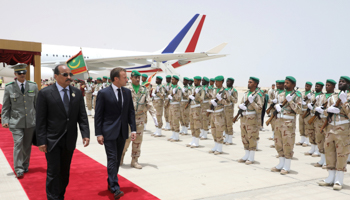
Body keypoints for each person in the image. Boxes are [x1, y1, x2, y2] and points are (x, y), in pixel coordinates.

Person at [36, 64, 90, 199]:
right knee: (53, 172)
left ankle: (60, 195)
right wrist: (41, 141)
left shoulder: (76, 93)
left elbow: (82, 116)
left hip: (69, 140)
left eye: (70, 74)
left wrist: (85, 134)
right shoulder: (45, 93)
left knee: (65, 172)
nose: (69, 77)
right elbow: (40, 120)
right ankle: (53, 197)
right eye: (65, 75)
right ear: (56, 76)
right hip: (52, 140)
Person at [94, 67, 136, 199]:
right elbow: (98, 115)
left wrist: (133, 129)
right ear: (116, 78)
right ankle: (115, 187)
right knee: (112, 159)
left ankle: (110, 182)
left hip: (122, 131)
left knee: (117, 159)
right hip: (109, 132)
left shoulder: (127, 92)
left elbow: (130, 112)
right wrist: (99, 133)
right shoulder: (104, 93)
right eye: (124, 77)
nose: (127, 79)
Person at [1, 63, 38, 178]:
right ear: (15, 74)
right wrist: (5, 120)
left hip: (30, 121)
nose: (22, 75)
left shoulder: (33, 86)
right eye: (20, 73)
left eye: (24, 73)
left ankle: (25, 164)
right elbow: (6, 107)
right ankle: (18, 168)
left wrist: (40, 120)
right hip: (16, 122)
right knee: (18, 144)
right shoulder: (9, 87)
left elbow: (37, 105)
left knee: (27, 145)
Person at [317, 76, 350, 190]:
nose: (341, 83)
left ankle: (338, 180)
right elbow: (326, 112)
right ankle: (330, 177)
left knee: (341, 155)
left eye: (343, 81)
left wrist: (345, 102)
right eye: (340, 81)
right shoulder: (333, 97)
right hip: (330, 129)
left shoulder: (348, 97)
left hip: (343, 130)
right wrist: (328, 111)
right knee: (329, 153)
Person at [121, 70, 157, 169]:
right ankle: (121, 156)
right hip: (128, 119)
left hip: (140, 119)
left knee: (138, 141)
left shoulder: (144, 89)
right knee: (126, 140)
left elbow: (149, 103)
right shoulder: (125, 88)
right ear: (131, 78)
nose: (137, 79)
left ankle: (134, 160)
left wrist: (154, 115)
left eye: (139, 78)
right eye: (135, 77)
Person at [271, 76, 301, 175]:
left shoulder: (297, 95)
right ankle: (281, 164)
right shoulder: (281, 94)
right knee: (278, 143)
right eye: (285, 83)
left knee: (287, 144)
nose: (285, 84)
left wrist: (291, 101)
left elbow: (299, 110)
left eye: (287, 83)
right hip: (279, 121)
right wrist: (276, 106)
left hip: (288, 123)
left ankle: (287, 166)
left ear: (293, 85)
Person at [237, 77, 263, 164]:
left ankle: (251, 157)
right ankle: (246, 155)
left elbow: (259, 109)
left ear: (255, 84)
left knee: (252, 137)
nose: (248, 83)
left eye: (251, 82)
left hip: (252, 119)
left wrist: (252, 102)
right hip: (244, 118)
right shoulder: (246, 94)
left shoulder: (258, 95)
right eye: (248, 82)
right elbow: (240, 103)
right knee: (244, 137)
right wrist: (240, 106)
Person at [312, 79, 336, 169]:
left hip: (328, 121)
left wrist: (324, 111)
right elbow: (314, 106)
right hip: (319, 120)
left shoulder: (335, 97)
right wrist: (317, 109)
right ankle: (322, 159)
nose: (327, 87)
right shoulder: (321, 96)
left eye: (329, 85)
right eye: (326, 85)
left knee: (328, 142)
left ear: (334, 86)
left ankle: (327, 161)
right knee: (319, 140)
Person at [208, 75, 229, 155]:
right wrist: (211, 101)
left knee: (219, 130)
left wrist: (221, 100)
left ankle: (219, 148)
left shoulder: (225, 91)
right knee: (213, 130)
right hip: (213, 113)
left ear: (221, 82)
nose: (215, 83)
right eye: (215, 81)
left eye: (217, 82)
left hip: (219, 113)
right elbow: (209, 99)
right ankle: (216, 146)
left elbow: (228, 102)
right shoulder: (214, 90)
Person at [304, 82, 324, 157]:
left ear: (322, 87)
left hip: (318, 117)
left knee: (318, 133)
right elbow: (307, 103)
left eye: (318, 86)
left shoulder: (322, 96)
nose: (316, 87)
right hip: (311, 115)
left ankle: (318, 150)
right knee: (311, 132)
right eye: (315, 86)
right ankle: (312, 148)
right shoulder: (312, 95)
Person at [187, 76, 204, 148]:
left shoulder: (202, 90)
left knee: (197, 125)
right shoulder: (193, 88)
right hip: (192, 108)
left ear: (199, 81)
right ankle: (193, 140)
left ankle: (196, 142)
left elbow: (201, 99)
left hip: (197, 108)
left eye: (196, 81)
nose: (195, 82)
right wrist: (190, 96)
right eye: (194, 81)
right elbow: (188, 97)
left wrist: (196, 95)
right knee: (192, 125)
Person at [296, 82, 313, 147]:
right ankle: (302, 139)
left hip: (307, 112)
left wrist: (309, 99)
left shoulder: (312, 94)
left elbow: (313, 102)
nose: (306, 87)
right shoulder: (302, 93)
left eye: (308, 86)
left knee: (307, 125)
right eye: (306, 86)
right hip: (301, 111)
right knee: (301, 125)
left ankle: (307, 140)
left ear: (310, 87)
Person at [167, 75, 182, 142]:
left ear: (176, 81)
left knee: (175, 120)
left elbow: (179, 98)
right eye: (172, 79)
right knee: (171, 120)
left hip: (176, 106)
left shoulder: (178, 88)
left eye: (173, 79)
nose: (171, 80)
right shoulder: (171, 87)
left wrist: (174, 94)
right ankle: (173, 134)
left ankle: (176, 136)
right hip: (171, 105)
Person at [223, 77, 238, 145]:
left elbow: (235, 100)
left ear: (232, 83)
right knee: (225, 124)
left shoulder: (234, 91)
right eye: (227, 81)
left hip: (229, 109)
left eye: (228, 81)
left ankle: (230, 139)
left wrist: (230, 95)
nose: (227, 83)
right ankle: (226, 137)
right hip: (224, 108)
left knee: (229, 124)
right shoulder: (224, 90)